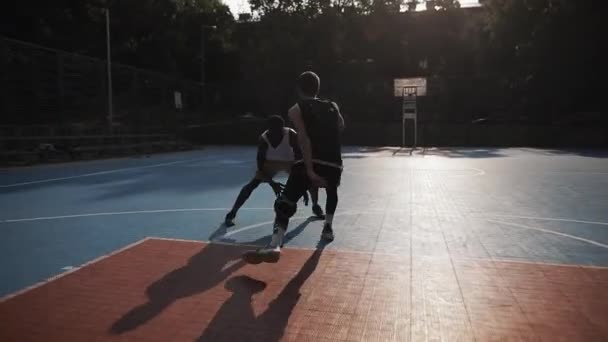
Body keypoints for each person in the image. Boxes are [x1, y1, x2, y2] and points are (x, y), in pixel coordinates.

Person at [243, 71, 344, 264]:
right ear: (318, 88)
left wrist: (310, 170)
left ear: (298, 89)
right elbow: (340, 126)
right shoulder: (333, 106)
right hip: (333, 163)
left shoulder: (296, 109)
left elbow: (303, 138)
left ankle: (274, 245)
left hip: (310, 162)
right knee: (332, 190)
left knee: (284, 203)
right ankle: (328, 228)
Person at [225, 115, 325, 227]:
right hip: (270, 162)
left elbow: (300, 159)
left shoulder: (291, 135)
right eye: (274, 130)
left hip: (290, 161)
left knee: (309, 180)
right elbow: (261, 167)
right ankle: (232, 213)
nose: (277, 133)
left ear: (283, 128)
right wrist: (272, 183)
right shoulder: (263, 139)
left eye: (279, 130)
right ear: (269, 129)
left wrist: (301, 185)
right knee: (252, 184)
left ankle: (315, 205)